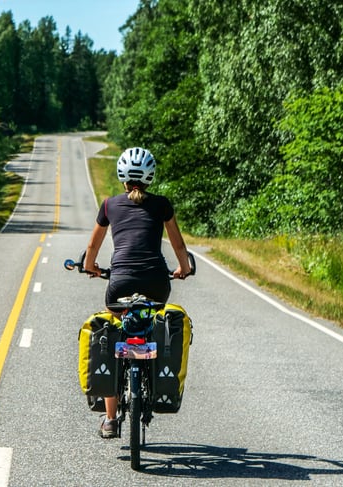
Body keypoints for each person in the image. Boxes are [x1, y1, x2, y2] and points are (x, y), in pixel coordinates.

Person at [83, 146, 192, 439]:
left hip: (120, 283)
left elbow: (92, 248)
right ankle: (154, 380)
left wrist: (90, 266)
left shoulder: (109, 205)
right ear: (150, 176)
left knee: (115, 331)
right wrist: (184, 269)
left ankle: (109, 419)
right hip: (157, 281)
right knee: (154, 325)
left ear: (121, 176)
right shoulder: (162, 205)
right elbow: (179, 246)